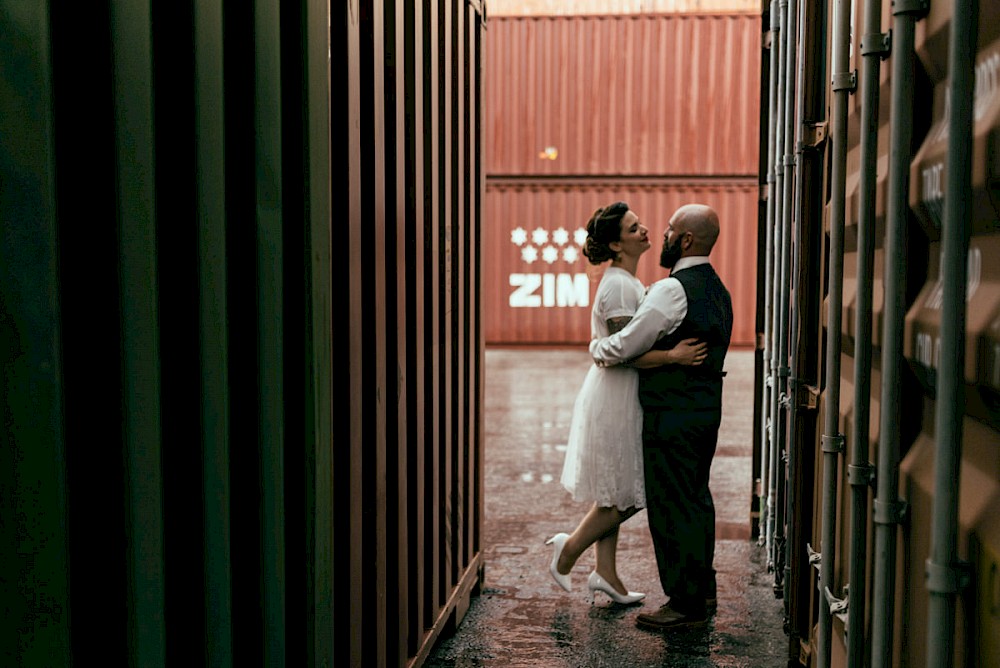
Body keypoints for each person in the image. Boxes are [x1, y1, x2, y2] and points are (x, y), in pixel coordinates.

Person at [545, 201, 708, 606]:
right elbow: (624, 353)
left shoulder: (629, 281)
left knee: (613, 489)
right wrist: (674, 357)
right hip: (616, 395)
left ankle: (607, 574)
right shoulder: (619, 285)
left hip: (620, 391)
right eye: (635, 228)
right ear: (617, 244)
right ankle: (568, 550)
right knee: (629, 494)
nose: (646, 230)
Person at [589, 203, 733, 629]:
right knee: (696, 500)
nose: (662, 234)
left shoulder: (673, 290)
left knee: (672, 508)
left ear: (685, 240)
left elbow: (625, 345)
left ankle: (683, 603)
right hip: (705, 408)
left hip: (672, 414)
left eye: (670, 230)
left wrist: (596, 349)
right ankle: (702, 590)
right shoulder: (715, 285)